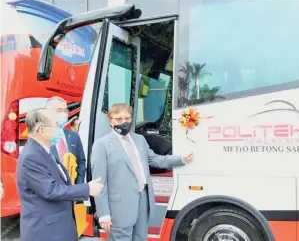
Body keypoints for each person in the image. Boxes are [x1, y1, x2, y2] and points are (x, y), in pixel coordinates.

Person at [91, 103, 194, 241]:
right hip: (119, 207)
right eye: (119, 119)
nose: (124, 122)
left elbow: (155, 160)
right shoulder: (101, 145)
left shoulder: (139, 139)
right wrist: (104, 214)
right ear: (110, 120)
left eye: (127, 118)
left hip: (143, 201)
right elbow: (99, 183)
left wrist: (181, 159)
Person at [16, 108, 103, 241]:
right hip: (47, 232)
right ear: (42, 130)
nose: (59, 129)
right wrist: (87, 189)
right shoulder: (31, 156)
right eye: (55, 125)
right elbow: (51, 190)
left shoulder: (46, 149)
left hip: (59, 226)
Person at [45, 97, 86, 184]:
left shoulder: (74, 136)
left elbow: (81, 162)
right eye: (59, 110)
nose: (63, 114)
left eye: (65, 110)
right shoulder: (41, 137)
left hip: (72, 192)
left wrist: (78, 187)